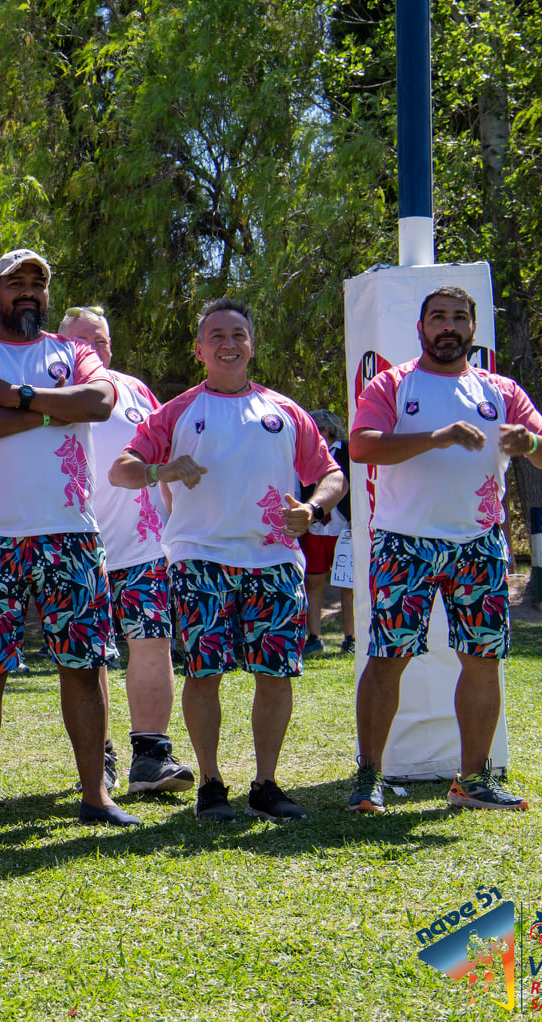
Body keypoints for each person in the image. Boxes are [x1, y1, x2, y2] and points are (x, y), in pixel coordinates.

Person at [109, 297, 344, 823]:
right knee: (204, 672)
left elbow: (331, 473)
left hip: (274, 560)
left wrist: (314, 506)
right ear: (199, 350)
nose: (228, 343)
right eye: (215, 335)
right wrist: (162, 470)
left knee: (274, 674)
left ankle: (265, 783)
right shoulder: (177, 412)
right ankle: (212, 784)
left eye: (238, 333)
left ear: (252, 345)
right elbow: (122, 470)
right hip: (200, 559)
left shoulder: (284, 412)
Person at [0, 250, 135, 832]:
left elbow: (98, 403)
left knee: (83, 662)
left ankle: (95, 794)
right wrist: (52, 411)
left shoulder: (74, 352)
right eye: (15, 283)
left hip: (69, 531)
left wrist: (18, 398)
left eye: (38, 284)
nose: (28, 292)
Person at [346, 286, 542, 814]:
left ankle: (471, 781)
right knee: (389, 657)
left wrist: (528, 444)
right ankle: (369, 776)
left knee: (483, 659)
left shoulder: (501, 389)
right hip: (406, 543)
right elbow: (362, 445)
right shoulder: (393, 384)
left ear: (473, 329)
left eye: (459, 318)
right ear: (421, 329)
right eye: (438, 317)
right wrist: (435, 437)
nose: (449, 326)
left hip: (479, 544)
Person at [59, 306, 195, 797]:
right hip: (78, 546)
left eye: (103, 340)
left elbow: (162, 455)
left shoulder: (136, 389)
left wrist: (175, 523)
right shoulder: (52, 393)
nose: (95, 350)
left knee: (153, 643)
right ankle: (100, 758)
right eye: (82, 342)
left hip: (144, 547)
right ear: (60, 344)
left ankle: (152, 756)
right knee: (89, 657)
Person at [297, 409, 355, 656]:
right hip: (316, 528)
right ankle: (314, 636)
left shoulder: (350, 452)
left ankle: (351, 638)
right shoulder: (305, 454)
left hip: (346, 527)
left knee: (349, 584)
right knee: (313, 582)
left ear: (326, 431)